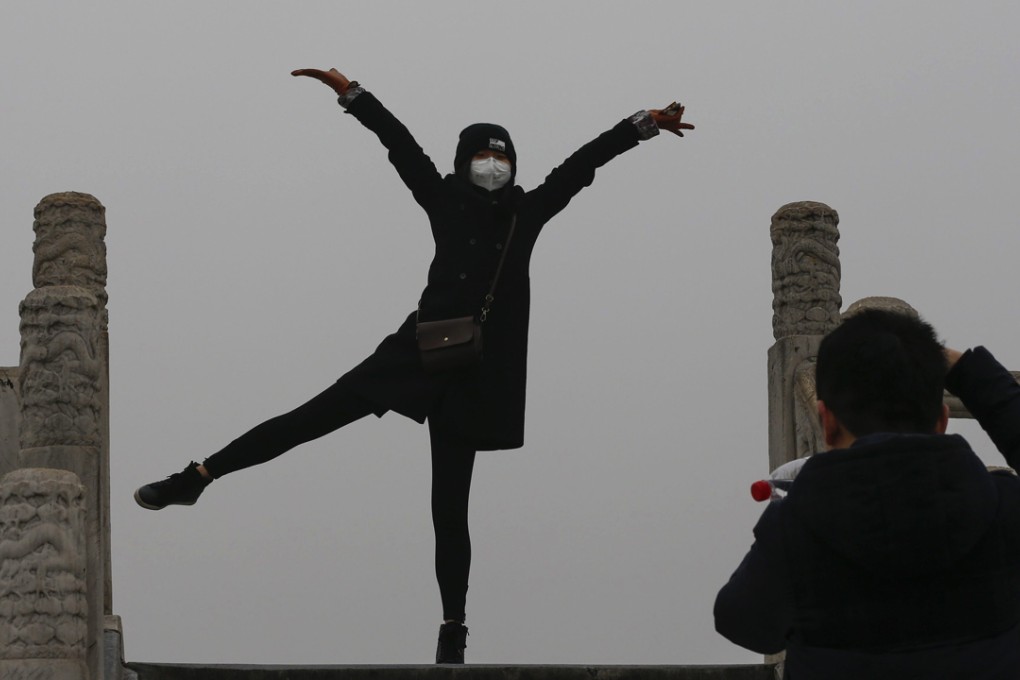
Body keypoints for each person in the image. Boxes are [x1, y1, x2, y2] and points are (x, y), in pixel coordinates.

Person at [134, 67, 694, 664]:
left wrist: (643, 126)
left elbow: (581, 166)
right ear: (462, 163)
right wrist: (353, 96)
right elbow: (401, 146)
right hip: (418, 350)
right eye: (480, 156)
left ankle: (453, 626)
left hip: (476, 373)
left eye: (500, 157)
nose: (492, 166)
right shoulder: (444, 198)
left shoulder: (524, 215)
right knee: (312, 417)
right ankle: (198, 477)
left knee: (449, 506)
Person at [714, 309, 1020, 679]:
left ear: (826, 422)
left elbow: (742, 623)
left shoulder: (795, 526)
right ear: (942, 419)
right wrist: (969, 370)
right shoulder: (1004, 505)